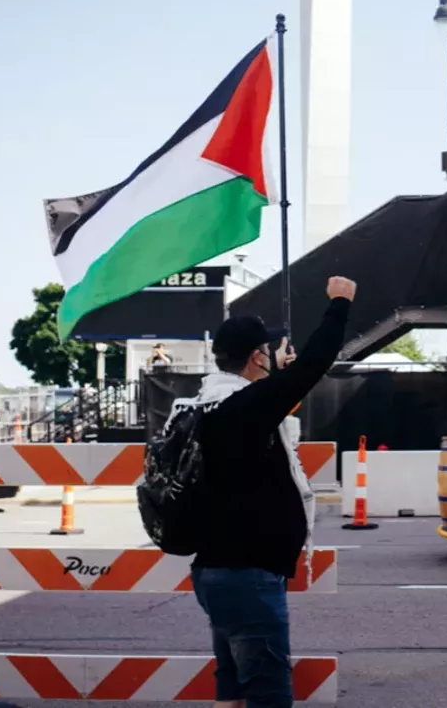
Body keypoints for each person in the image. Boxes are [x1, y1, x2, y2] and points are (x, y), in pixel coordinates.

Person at [189, 276, 355, 708]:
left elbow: (264, 405)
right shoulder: (247, 406)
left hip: (213, 571)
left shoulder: (209, 403)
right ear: (257, 356)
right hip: (248, 576)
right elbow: (316, 362)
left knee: (232, 683)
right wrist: (339, 303)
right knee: (268, 693)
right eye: (265, 352)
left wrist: (276, 378)